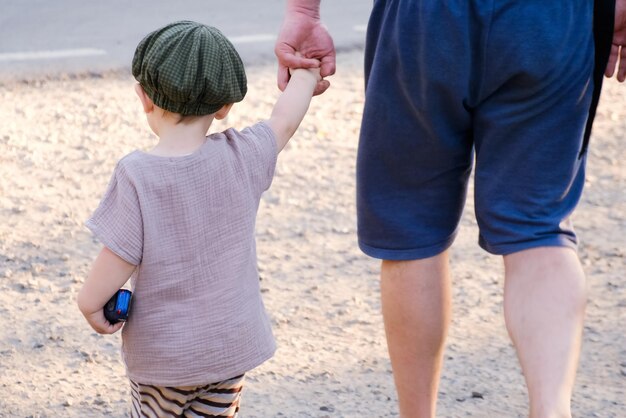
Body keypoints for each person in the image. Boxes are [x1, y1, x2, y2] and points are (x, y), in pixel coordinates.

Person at [275, 0, 626, 417]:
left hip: (426, 17)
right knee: (537, 226)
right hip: (552, 17)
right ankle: (550, 410)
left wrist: (305, 11)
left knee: (412, 225)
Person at [77, 21, 320, 417]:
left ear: (144, 98)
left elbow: (117, 258)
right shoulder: (244, 154)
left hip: (164, 362)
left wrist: (89, 304)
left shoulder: (138, 174)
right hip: (229, 352)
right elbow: (285, 120)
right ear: (225, 107)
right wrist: (306, 74)